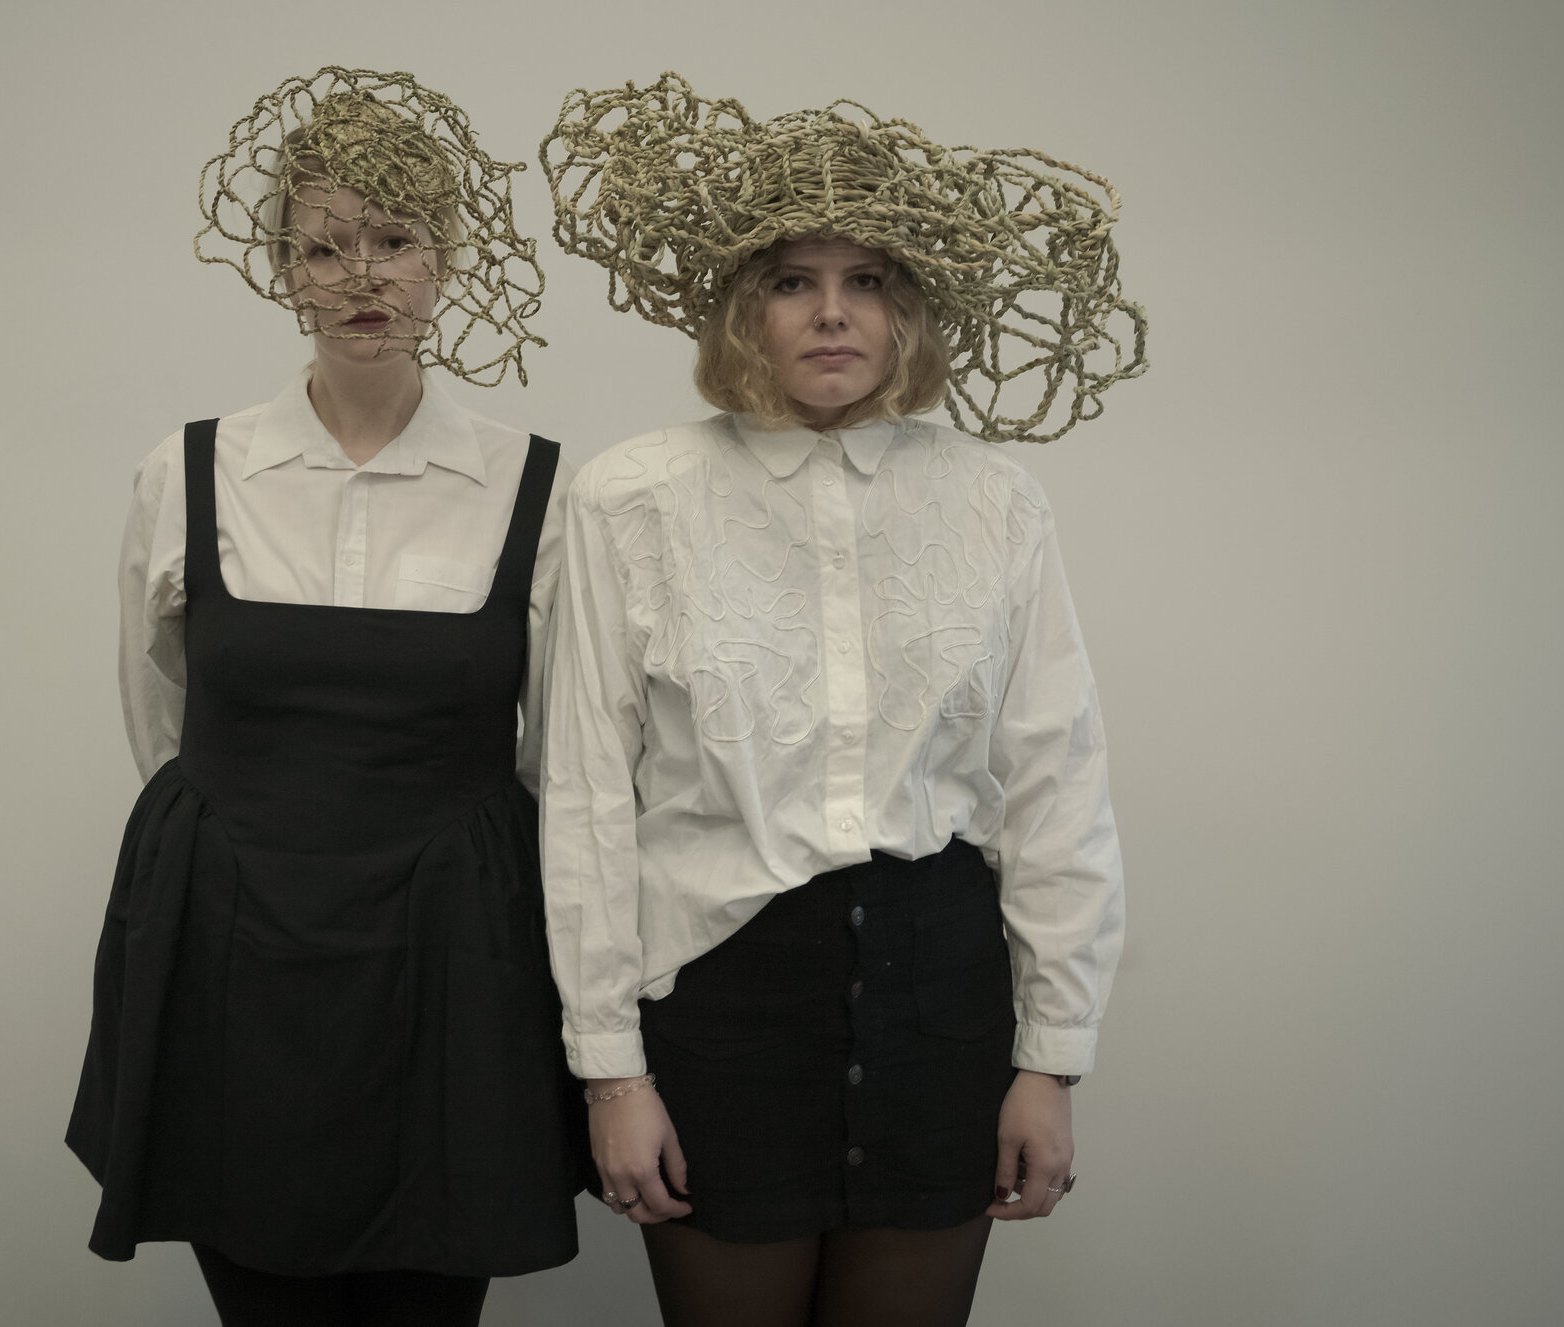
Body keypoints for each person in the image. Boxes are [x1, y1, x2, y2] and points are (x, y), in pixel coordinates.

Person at [536, 74, 1146, 1326]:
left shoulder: (992, 500)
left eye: (865, 280)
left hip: (940, 994)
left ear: (907, 308)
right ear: (738, 308)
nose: (829, 313)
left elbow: (1055, 780)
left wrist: (1050, 1057)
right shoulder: (628, 498)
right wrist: (609, 1070)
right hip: (717, 993)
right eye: (789, 281)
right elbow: (583, 793)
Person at [66, 68, 586, 1327]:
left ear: (449, 258)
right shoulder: (188, 470)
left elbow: (560, 750)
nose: (362, 276)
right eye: (323, 247)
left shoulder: (534, 484)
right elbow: (160, 714)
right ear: (281, 270)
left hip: (452, 953)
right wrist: (259, 830)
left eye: (394, 240)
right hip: (230, 939)